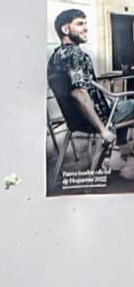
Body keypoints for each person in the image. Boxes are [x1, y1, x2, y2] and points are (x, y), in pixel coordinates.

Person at [49, 9, 134, 169]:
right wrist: (103, 130)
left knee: (122, 103)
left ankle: (121, 150)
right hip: (102, 118)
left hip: (75, 121)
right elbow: (79, 93)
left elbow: (81, 88)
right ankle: (124, 149)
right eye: (80, 24)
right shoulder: (75, 55)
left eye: (86, 23)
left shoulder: (56, 56)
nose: (86, 28)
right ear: (65, 30)